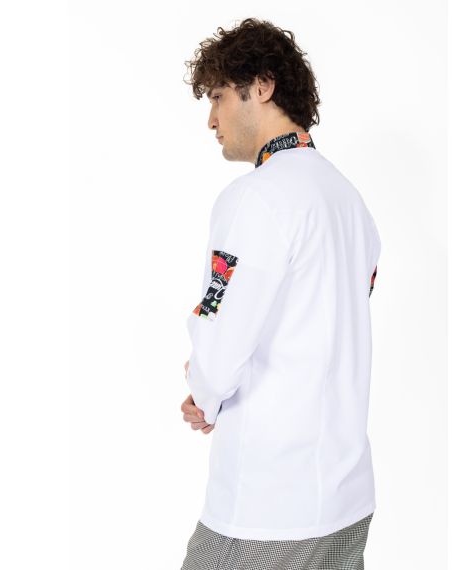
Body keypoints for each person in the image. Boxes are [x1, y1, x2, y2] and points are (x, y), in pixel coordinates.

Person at [179, 17, 381, 570]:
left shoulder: (255, 199)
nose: (211, 119)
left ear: (262, 86)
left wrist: (204, 392)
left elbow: (219, 338)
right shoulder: (350, 203)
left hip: (265, 510)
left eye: (218, 97)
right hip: (346, 501)